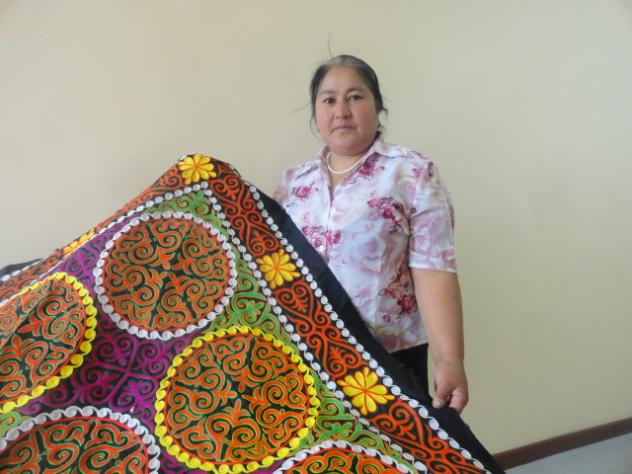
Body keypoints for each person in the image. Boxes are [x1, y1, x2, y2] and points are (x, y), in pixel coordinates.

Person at [274, 55, 468, 413]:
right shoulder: (292, 184)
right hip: (306, 357)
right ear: (316, 113)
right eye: (328, 100)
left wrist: (449, 358)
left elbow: (433, 270)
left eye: (355, 97)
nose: (341, 111)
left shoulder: (411, 173)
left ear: (377, 105)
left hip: (388, 360)